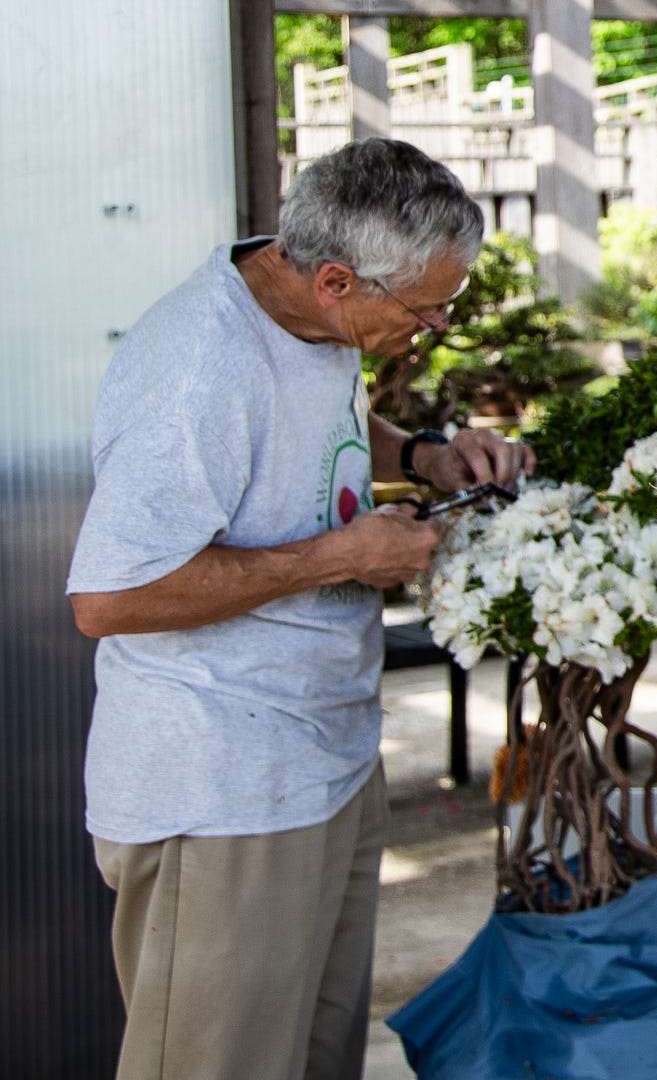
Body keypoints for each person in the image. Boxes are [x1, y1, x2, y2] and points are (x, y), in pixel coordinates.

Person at [67, 138, 536, 1080]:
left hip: (320, 758)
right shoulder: (195, 370)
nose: (437, 325)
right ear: (335, 279)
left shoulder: (303, 314)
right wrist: (338, 557)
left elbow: (313, 422)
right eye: (428, 308)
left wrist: (426, 455)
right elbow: (108, 599)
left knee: (317, 1058)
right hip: (221, 791)